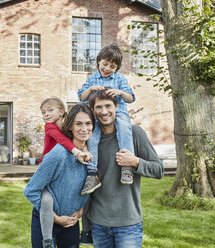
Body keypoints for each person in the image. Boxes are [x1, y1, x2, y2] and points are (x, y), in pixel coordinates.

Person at [86, 89, 164, 247]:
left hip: (128, 222)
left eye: (108, 106)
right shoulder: (89, 140)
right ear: (93, 110)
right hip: (98, 222)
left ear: (116, 107)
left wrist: (135, 162)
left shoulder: (134, 133)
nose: (104, 111)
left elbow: (158, 170)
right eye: (99, 107)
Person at [25, 100, 93, 248]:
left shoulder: (91, 157)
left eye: (88, 124)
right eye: (78, 124)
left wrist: (81, 210)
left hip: (71, 223)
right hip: (46, 220)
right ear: (70, 126)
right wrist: (55, 218)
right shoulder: (58, 154)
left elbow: (89, 189)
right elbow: (31, 190)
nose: (84, 129)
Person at [78, 43, 136, 196]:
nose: (107, 68)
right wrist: (90, 90)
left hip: (119, 113)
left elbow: (131, 98)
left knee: (124, 128)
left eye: (112, 66)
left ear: (117, 68)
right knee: (93, 137)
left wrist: (121, 93)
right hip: (97, 116)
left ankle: (126, 167)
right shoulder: (92, 79)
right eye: (105, 64)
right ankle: (92, 174)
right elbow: (81, 97)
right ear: (98, 62)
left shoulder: (120, 79)